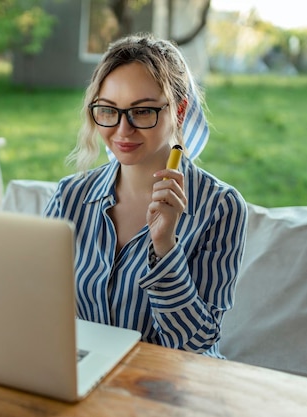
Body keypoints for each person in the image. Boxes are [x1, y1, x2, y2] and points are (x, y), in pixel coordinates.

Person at [43, 33, 248, 358]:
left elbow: (196, 344)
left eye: (142, 112)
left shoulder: (220, 207)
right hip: (88, 377)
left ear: (179, 112)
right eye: (108, 110)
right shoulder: (70, 196)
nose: (123, 130)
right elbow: (42, 307)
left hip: (173, 390)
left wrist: (165, 246)